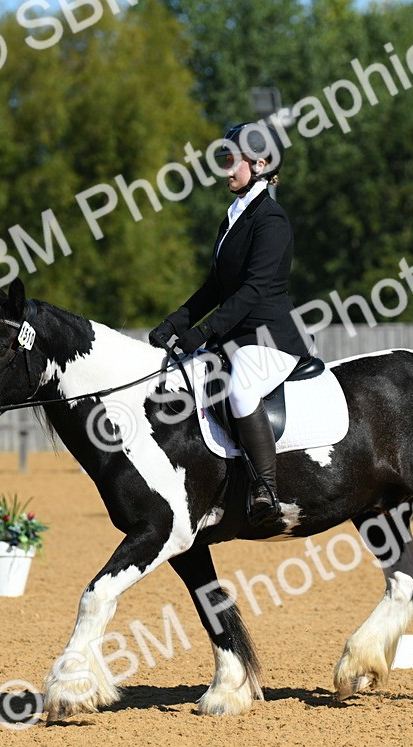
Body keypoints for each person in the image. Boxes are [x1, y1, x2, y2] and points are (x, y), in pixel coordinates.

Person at [148, 122, 312, 525]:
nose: (226, 170)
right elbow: (215, 288)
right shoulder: (234, 217)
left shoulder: (270, 219)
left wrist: (204, 332)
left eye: (232, 162)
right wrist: (173, 323)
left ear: (259, 164)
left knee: (240, 390)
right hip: (236, 337)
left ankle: (265, 490)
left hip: (271, 338)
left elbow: (254, 289)